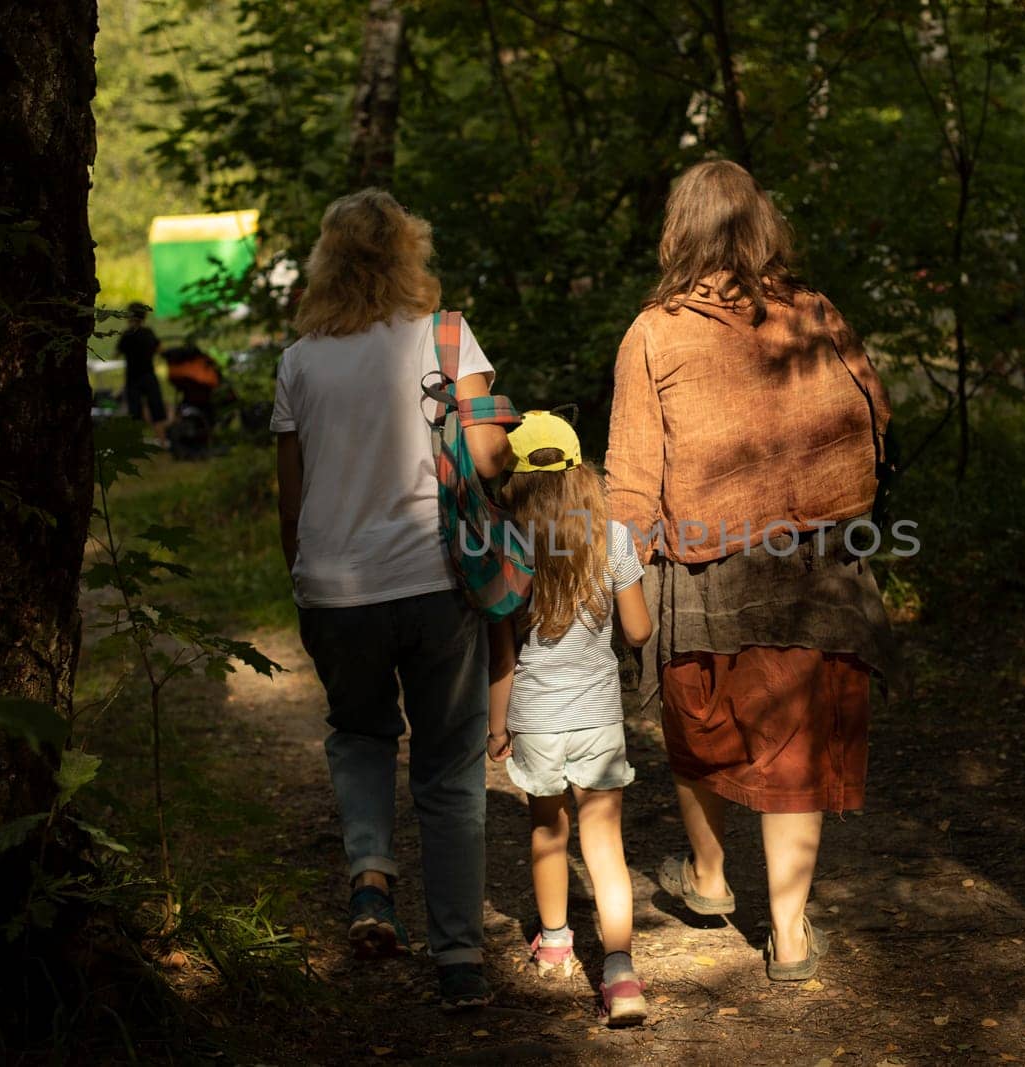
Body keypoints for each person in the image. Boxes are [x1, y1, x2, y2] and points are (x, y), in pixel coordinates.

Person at [605, 160, 898, 983]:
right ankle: (792, 931)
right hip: (813, 567)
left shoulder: (653, 332)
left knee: (697, 724)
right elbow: (876, 415)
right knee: (794, 746)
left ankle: (706, 875)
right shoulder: (815, 314)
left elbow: (630, 478)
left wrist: (615, 583)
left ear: (679, 230)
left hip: (699, 573)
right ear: (762, 224)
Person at [271, 188, 512, 1010]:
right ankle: (459, 960)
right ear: (410, 251)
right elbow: (488, 460)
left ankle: (371, 882)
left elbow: (290, 505)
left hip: (336, 590)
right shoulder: (445, 339)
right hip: (435, 581)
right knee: (449, 771)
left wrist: (311, 590)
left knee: (362, 734)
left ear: (326, 262)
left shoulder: (299, 360)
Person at [486, 410, 654, 1027]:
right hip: (599, 721)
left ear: (515, 481)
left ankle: (555, 940)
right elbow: (637, 629)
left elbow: (501, 651)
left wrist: (497, 726)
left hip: (535, 719)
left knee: (548, 834)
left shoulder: (507, 544)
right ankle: (619, 972)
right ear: (580, 471)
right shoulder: (611, 538)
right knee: (605, 845)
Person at [117, 303, 166, 437]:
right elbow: (160, 349)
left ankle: (137, 442)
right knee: (157, 409)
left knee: (134, 411)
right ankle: (162, 440)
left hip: (132, 377)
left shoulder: (127, 335)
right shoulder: (148, 333)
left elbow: (117, 353)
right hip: (149, 375)